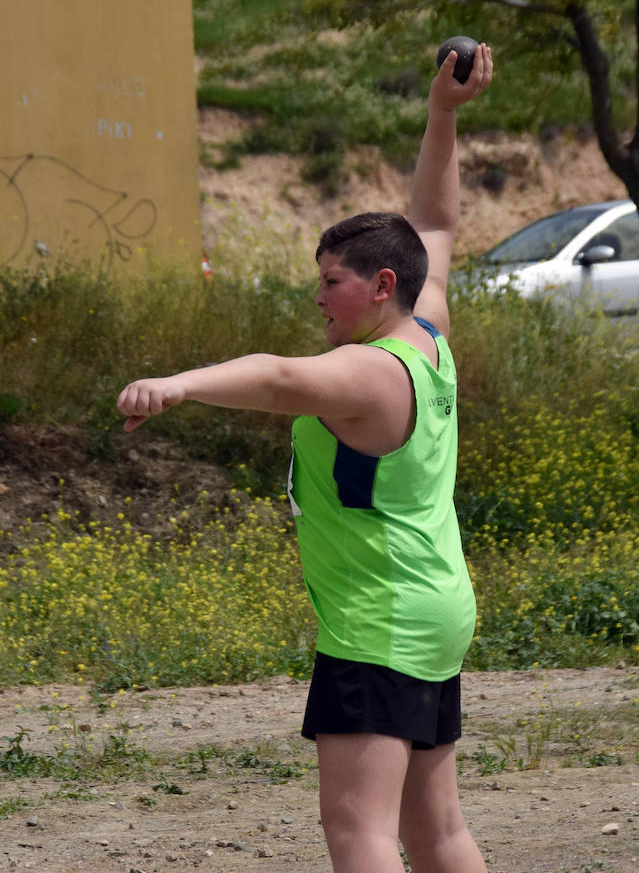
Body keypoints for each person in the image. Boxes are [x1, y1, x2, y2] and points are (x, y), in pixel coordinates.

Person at [117, 43, 492, 873]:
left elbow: (281, 380)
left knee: (358, 832)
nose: (316, 297)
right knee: (434, 830)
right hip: (432, 608)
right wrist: (441, 112)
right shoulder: (426, 334)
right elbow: (434, 224)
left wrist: (175, 384)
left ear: (381, 285)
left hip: (379, 623)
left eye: (330, 283)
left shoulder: (367, 371)